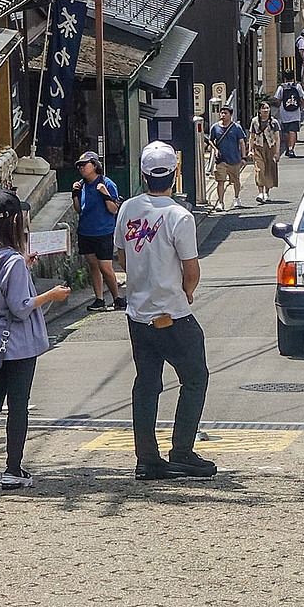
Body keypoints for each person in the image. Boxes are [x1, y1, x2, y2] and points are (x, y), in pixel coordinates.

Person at [115, 140, 216, 481]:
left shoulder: (128, 209)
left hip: (137, 313)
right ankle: (183, 451)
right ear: (175, 173)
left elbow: (121, 258)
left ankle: (147, 458)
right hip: (172, 313)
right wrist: (186, 294)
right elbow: (191, 268)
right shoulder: (179, 216)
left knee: (146, 383)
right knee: (195, 378)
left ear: (144, 174)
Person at [0, 191, 70, 489]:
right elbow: (21, 306)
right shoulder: (11, 260)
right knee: (18, 404)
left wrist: (23, 264)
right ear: (13, 220)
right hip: (17, 344)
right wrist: (52, 294)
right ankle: (13, 469)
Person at [71, 151, 124, 310]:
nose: (81, 168)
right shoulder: (81, 185)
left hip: (103, 231)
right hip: (86, 231)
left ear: (94, 165)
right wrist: (75, 194)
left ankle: (117, 298)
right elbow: (79, 209)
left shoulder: (106, 183)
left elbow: (113, 209)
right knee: (93, 266)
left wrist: (104, 193)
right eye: (79, 166)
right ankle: (99, 299)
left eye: (84, 165)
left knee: (105, 267)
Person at [209, 106, 248, 210]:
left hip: (234, 158)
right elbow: (211, 140)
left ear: (231, 115)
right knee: (220, 180)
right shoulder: (215, 127)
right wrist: (215, 149)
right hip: (221, 159)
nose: (223, 115)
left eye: (225, 113)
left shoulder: (236, 128)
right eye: (222, 113)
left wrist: (243, 157)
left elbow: (242, 142)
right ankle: (220, 202)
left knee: (235, 180)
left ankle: (236, 197)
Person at [249, 102, 281, 204]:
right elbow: (252, 136)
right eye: (263, 108)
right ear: (259, 110)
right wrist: (250, 150)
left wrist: (277, 152)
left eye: (267, 108)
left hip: (270, 147)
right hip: (258, 147)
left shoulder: (273, 122)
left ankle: (267, 192)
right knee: (260, 169)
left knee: (269, 169)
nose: (266, 110)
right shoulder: (254, 121)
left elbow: (277, 137)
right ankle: (260, 193)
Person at [276, 79, 304, 157]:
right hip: (295, 112)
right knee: (293, 130)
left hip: (284, 112)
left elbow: (277, 99)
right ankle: (291, 149)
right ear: (293, 78)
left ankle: (287, 148)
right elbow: (301, 98)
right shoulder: (297, 86)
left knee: (286, 131)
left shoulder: (281, 87)